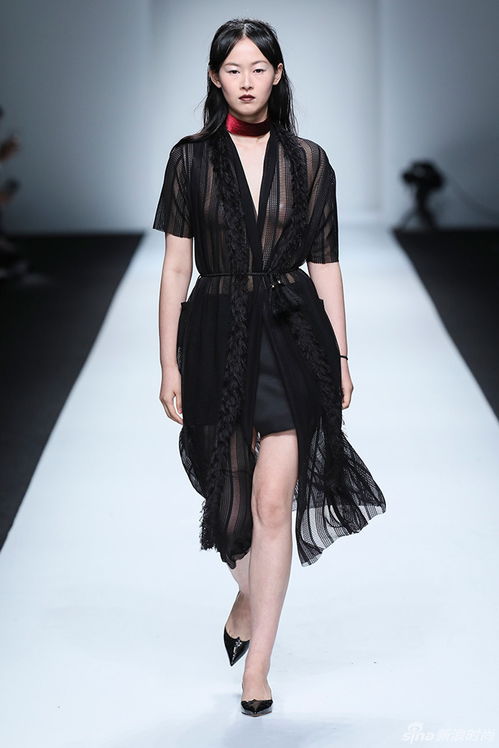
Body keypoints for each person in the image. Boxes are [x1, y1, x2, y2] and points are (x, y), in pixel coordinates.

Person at [153, 18, 387, 717]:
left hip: (291, 335)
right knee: (229, 507)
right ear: (214, 77)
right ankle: (247, 600)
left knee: (271, 505)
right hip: (215, 333)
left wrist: (340, 355)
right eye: (234, 69)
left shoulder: (308, 161)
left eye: (259, 68)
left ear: (278, 75)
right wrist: (166, 362)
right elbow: (175, 269)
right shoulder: (190, 159)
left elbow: (327, 265)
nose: (247, 81)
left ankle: (257, 670)